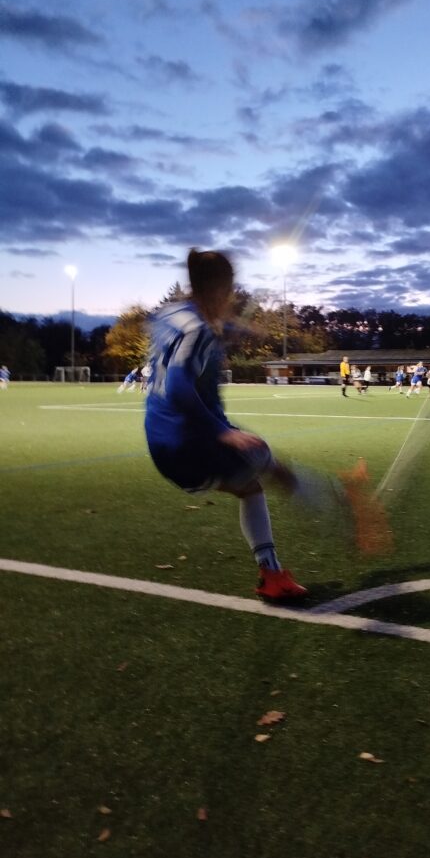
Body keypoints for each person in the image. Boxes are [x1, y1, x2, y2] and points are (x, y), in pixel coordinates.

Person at [145, 249, 314, 600]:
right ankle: (341, 506)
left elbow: (194, 337)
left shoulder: (170, 314)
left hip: (159, 440)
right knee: (266, 458)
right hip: (192, 439)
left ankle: (271, 572)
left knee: (249, 487)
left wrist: (239, 328)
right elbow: (178, 387)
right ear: (222, 290)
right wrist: (225, 433)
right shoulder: (201, 331)